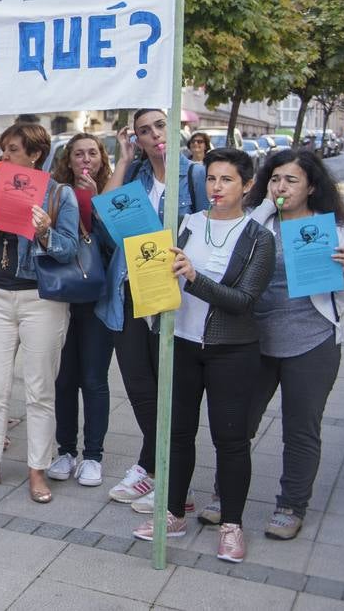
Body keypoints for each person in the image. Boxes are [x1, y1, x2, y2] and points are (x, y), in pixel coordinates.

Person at [132, 148, 274, 565]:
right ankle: (173, 513)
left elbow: (244, 300)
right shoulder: (187, 224)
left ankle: (232, 524)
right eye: (212, 178)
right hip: (182, 344)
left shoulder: (258, 237)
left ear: (247, 186)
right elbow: (158, 272)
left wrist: (194, 278)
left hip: (232, 350)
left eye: (227, 180)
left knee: (230, 440)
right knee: (176, 434)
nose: (217, 187)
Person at [240, 149, 344, 540]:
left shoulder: (332, 230)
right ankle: (228, 493)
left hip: (312, 342)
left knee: (300, 429)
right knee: (237, 423)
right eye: (275, 179)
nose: (281, 187)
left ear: (311, 186)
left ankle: (291, 505)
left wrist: (343, 274)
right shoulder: (256, 221)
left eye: (291, 180)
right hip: (256, 341)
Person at [0, 123, 79, 503]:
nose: (5, 157)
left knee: (39, 389)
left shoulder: (60, 194)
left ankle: (37, 470)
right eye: (5, 149)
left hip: (40, 299)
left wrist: (44, 231)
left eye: (13, 150)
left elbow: (68, 250)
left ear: (34, 155)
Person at [100, 108, 208, 507]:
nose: (154, 135)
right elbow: (106, 208)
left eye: (159, 126)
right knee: (139, 385)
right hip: (128, 290)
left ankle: (171, 479)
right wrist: (124, 159)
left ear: (174, 127)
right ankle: (154, 467)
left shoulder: (195, 175)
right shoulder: (137, 176)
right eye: (144, 131)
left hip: (171, 294)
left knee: (167, 387)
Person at [45, 134, 114, 489]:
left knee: (94, 378)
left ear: (102, 158)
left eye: (92, 153)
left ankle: (93, 456)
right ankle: (66, 450)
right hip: (62, 294)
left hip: (98, 297)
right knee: (63, 378)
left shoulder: (114, 191)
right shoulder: (56, 192)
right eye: (78, 154)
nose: (85, 159)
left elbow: (117, 242)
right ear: (67, 160)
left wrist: (98, 203)